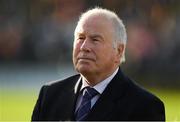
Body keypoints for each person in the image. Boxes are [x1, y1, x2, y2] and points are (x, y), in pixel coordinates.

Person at [32, 7, 165, 121]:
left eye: (95, 40)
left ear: (119, 51)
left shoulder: (145, 107)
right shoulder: (49, 95)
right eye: (80, 38)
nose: (84, 47)